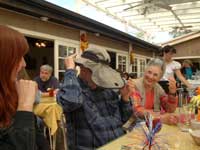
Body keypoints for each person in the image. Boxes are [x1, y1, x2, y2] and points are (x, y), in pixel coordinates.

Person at [56, 49, 134, 149]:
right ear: (82, 67)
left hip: (119, 145)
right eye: (96, 71)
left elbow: (125, 121)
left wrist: (125, 99)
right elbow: (70, 102)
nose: (100, 76)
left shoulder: (109, 88)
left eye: (102, 72)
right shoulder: (71, 88)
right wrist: (70, 70)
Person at [0, 25, 49, 150]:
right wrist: (25, 105)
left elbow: (40, 143)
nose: (24, 64)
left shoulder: (8, 95)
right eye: (18, 57)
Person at [131, 58, 178, 125]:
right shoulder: (134, 85)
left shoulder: (158, 88)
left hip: (150, 125)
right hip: (133, 125)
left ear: (159, 77)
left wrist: (172, 93)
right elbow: (137, 110)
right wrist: (160, 118)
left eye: (155, 75)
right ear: (145, 71)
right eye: (149, 72)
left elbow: (169, 109)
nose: (151, 77)